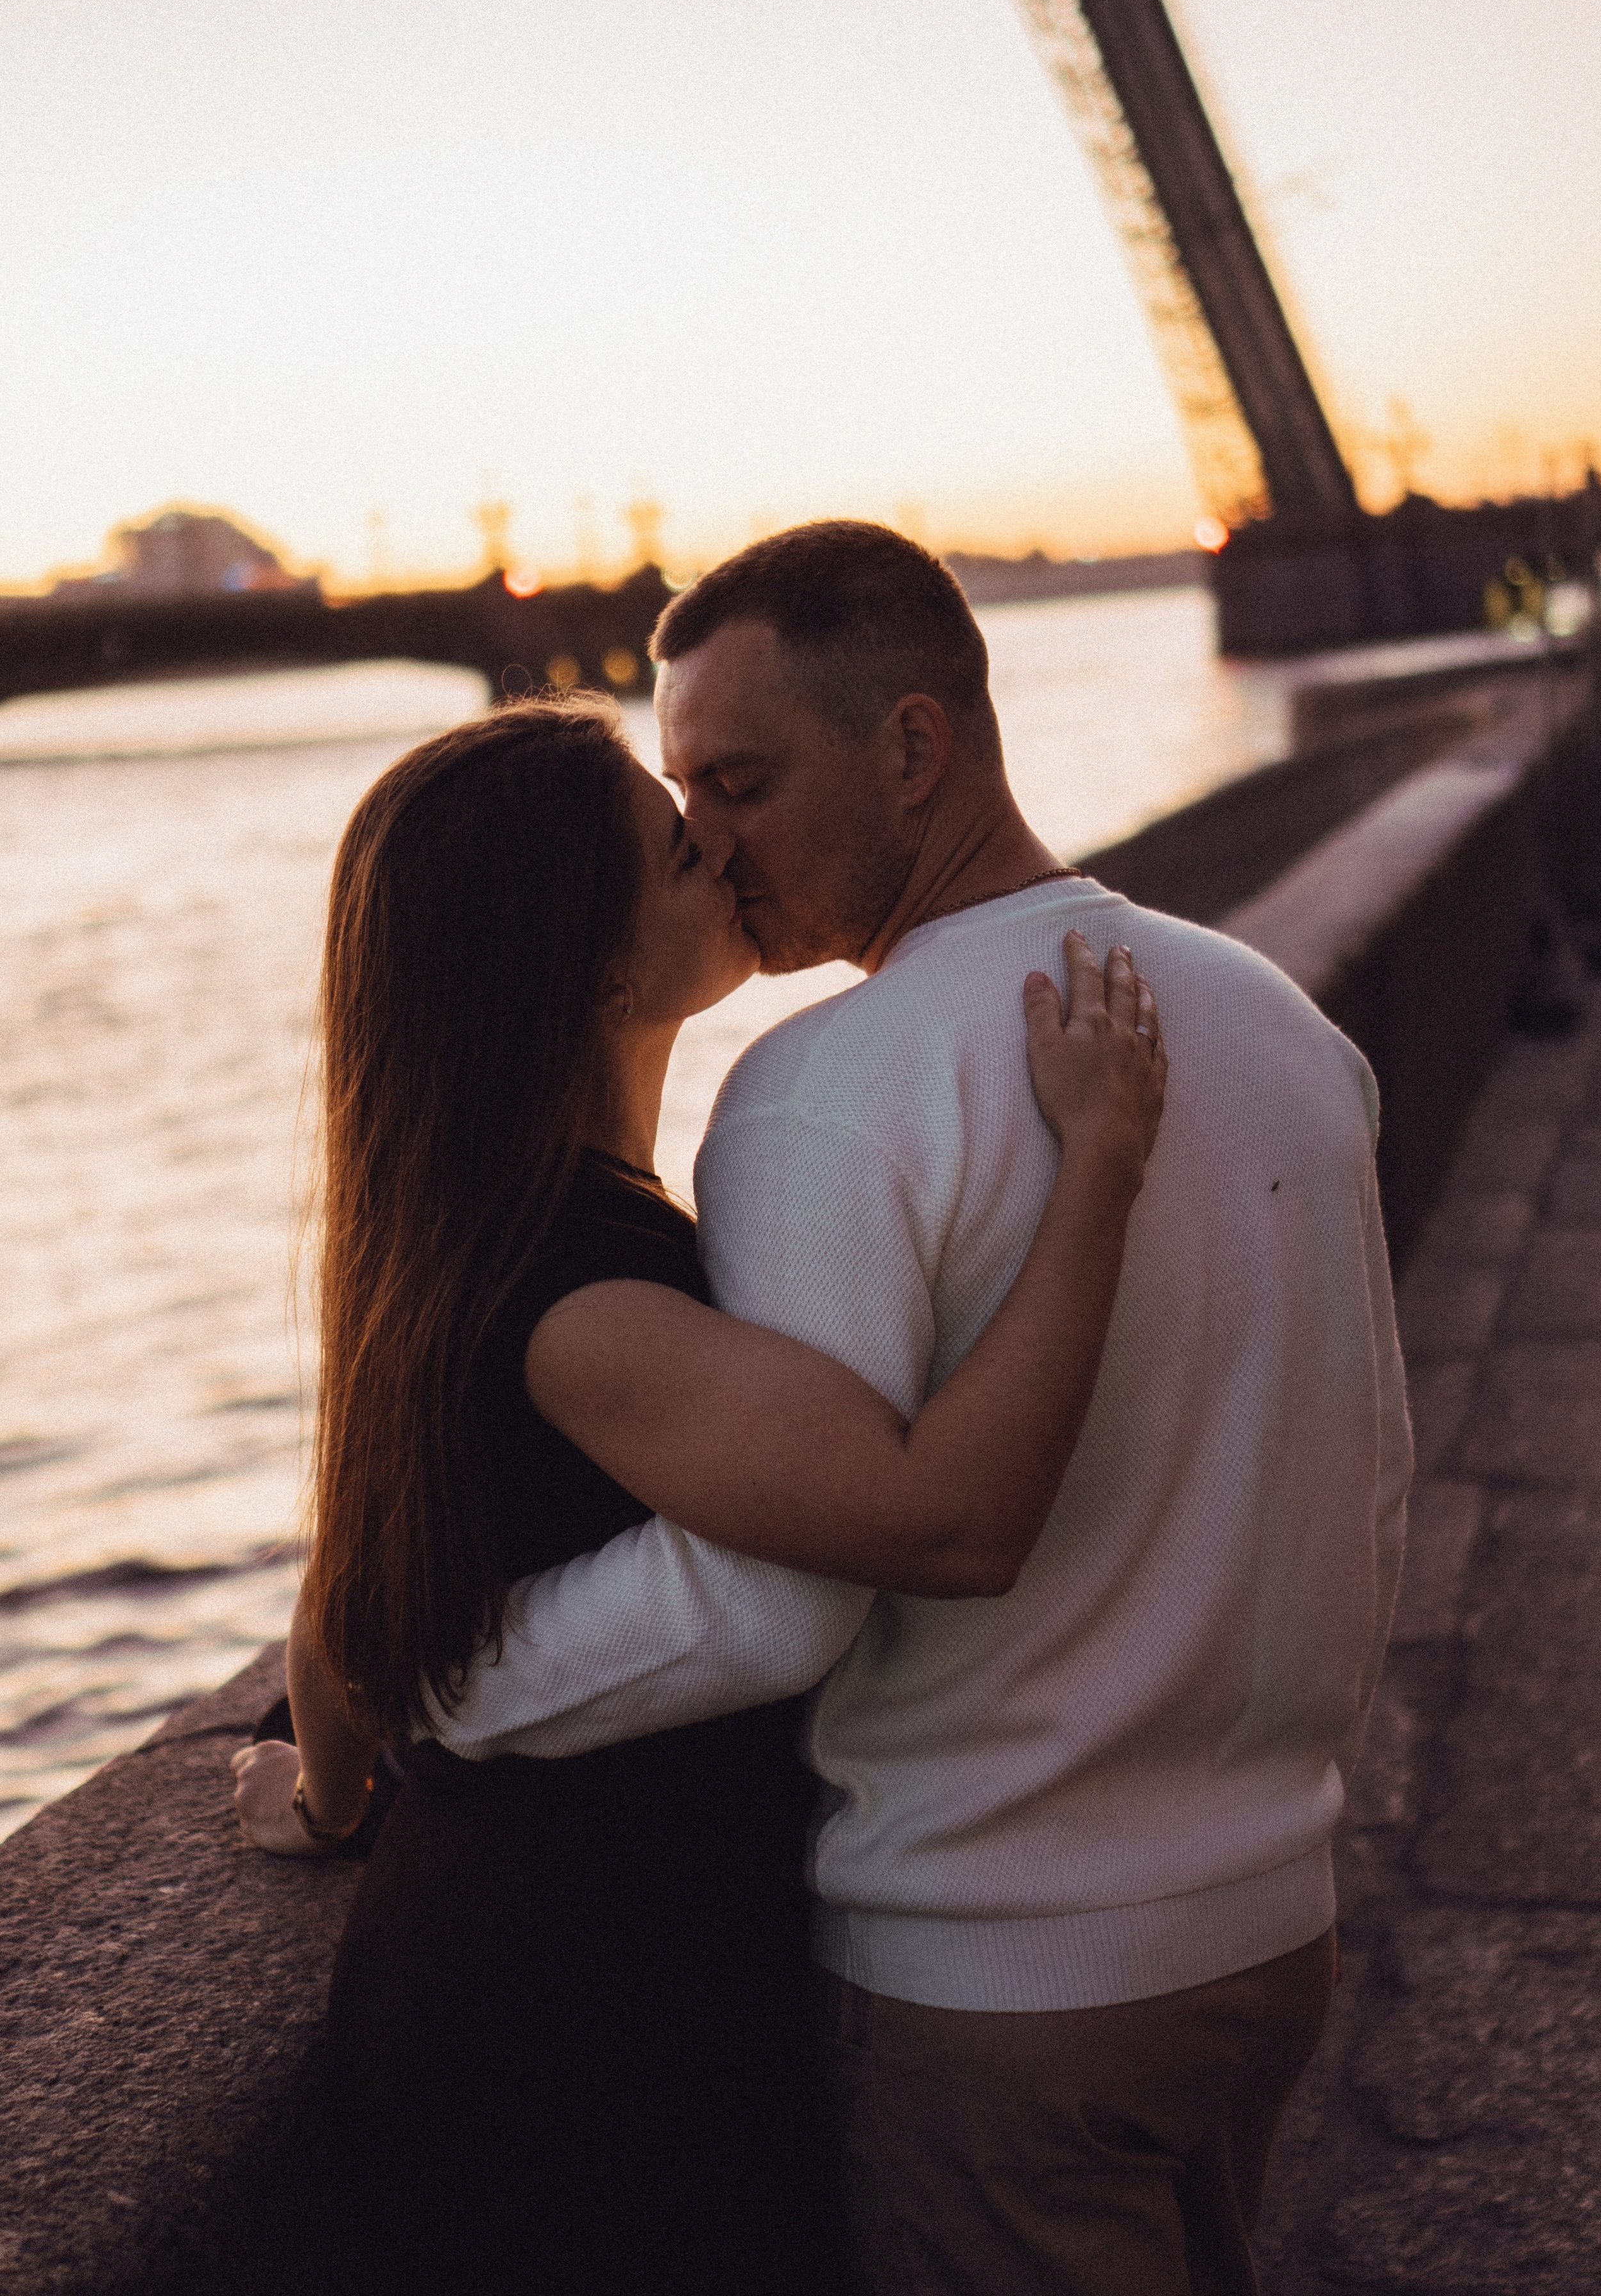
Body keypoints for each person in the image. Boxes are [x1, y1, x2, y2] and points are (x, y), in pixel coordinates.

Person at [425, 522, 1414, 2296]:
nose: (709, 844)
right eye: (683, 794)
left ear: (910, 746)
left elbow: (768, 1592)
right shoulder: (1272, 1023)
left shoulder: (823, 1095)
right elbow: (1372, 1483)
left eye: (742, 779)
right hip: (1268, 1938)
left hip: (999, 1981)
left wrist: (435, 1680)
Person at [230, 692, 1167, 2296]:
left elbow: (351, 1599)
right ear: (591, 972)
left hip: (523, 1978)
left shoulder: (460, 1237)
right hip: (595, 2024)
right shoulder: (592, 1297)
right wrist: (1098, 1165)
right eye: (679, 852)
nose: (723, 851)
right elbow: (948, 1515)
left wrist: (327, 1803)